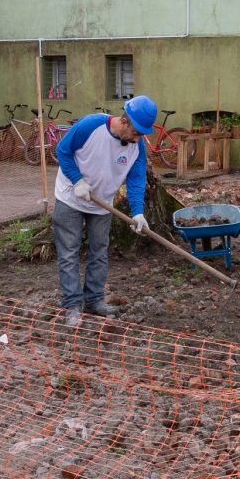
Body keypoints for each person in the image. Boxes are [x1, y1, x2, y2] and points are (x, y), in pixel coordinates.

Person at [53, 95, 156, 327]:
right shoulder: (91, 126)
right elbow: (63, 150)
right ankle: (71, 305)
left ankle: (94, 301)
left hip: (102, 205)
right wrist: (77, 181)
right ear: (124, 121)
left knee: (99, 252)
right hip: (71, 197)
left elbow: (137, 178)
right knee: (69, 251)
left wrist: (138, 212)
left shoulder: (136, 146)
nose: (140, 138)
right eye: (138, 132)